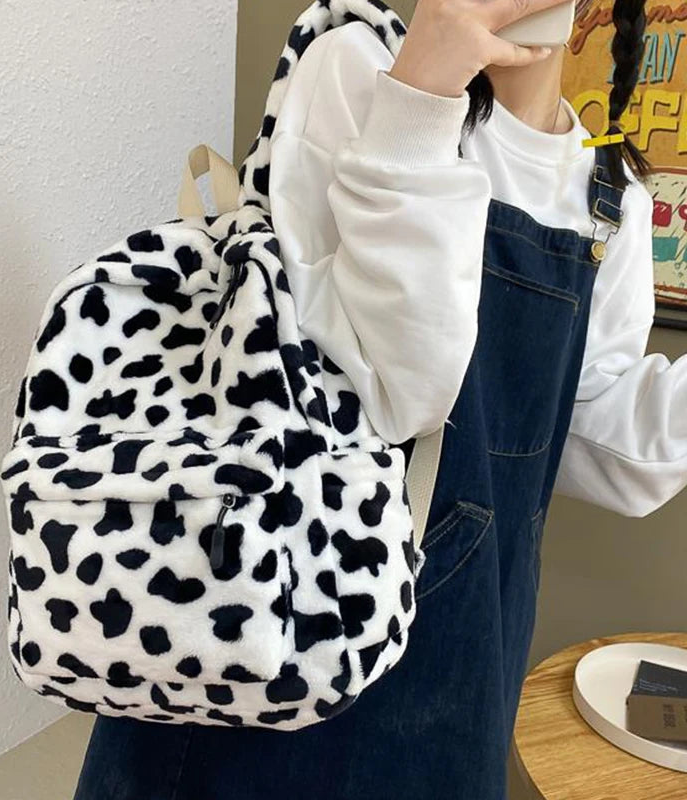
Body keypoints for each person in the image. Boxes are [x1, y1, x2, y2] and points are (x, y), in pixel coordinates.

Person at [73, 0, 687, 797]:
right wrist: (422, 96)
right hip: (275, 607)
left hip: (463, 648)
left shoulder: (610, 197)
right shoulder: (360, 68)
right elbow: (400, 387)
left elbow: (593, 440)